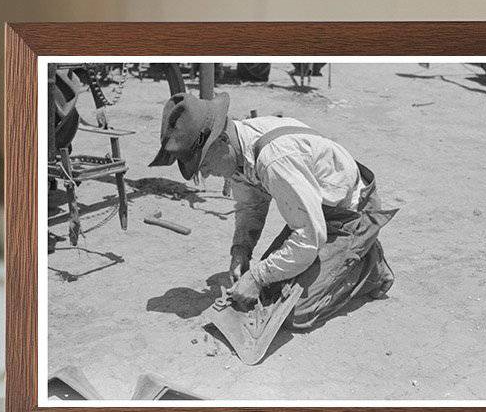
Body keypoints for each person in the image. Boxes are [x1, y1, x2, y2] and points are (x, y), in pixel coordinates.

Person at [149, 92, 396, 330]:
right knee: (270, 293)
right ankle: (345, 256)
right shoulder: (239, 146)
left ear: (221, 142)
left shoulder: (274, 159)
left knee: (294, 312)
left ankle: (369, 265)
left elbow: (309, 238)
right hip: (315, 211)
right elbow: (251, 204)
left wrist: (257, 277)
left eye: (203, 164)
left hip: (350, 213)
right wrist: (241, 252)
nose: (205, 173)